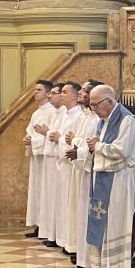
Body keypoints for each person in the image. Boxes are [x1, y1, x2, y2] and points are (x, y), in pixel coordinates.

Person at [85, 85, 135, 268]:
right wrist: (94, 146)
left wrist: (97, 146)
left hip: (119, 181)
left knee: (115, 223)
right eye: (90, 105)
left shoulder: (127, 120)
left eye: (95, 104)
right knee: (103, 222)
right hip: (104, 177)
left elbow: (123, 151)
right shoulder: (103, 121)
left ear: (109, 100)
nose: (93, 109)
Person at [68, 80, 100, 268]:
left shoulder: (96, 119)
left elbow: (92, 145)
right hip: (80, 169)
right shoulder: (86, 117)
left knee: (86, 213)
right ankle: (81, 253)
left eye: (84, 90)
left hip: (89, 172)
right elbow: (81, 142)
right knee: (79, 212)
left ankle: (87, 257)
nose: (80, 92)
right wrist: (74, 144)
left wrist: (77, 148)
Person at [52, 82, 85, 255]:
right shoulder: (66, 114)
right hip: (61, 164)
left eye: (65, 92)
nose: (61, 95)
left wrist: (59, 139)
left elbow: (76, 140)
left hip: (70, 165)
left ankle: (69, 242)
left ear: (74, 95)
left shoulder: (78, 116)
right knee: (62, 204)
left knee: (68, 204)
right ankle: (63, 239)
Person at [37, 85, 66, 247]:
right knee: (50, 200)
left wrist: (47, 133)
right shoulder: (58, 114)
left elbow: (60, 137)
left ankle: (56, 236)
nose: (51, 96)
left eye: (55, 93)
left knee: (58, 201)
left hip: (61, 162)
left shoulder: (67, 115)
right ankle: (50, 233)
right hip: (53, 159)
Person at [24, 80, 53, 238]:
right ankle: (38, 225)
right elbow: (31, 130)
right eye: (35, 89)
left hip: (46, 157)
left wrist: (33, 141)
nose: (35, 92)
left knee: (44, 192)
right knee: (36, 191)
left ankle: (45, 227)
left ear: (48, 93)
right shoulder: (36, 113)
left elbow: (51, 134)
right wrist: (28, 138)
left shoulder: (51, 112)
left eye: (39, 90)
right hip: (37, 158)